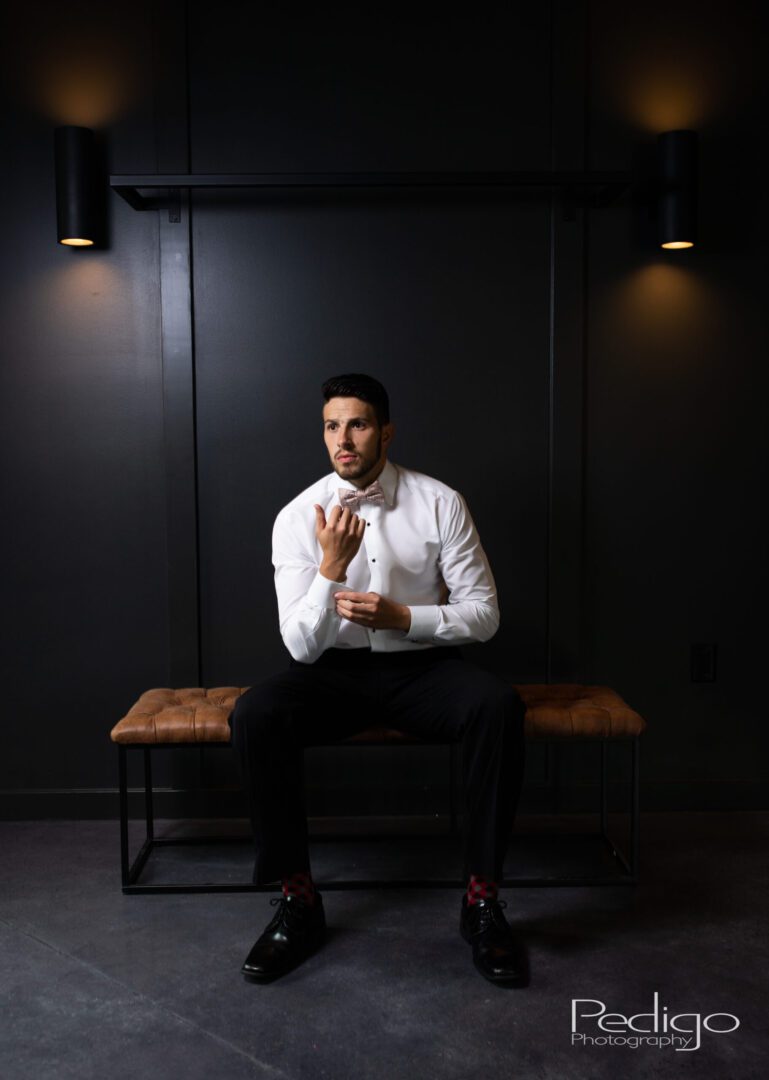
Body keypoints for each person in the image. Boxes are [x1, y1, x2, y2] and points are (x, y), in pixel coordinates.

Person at [229, 373, 527, 985]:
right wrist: (330, 571)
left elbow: (485, 616)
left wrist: (404, 618)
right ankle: (298, 900)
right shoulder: (295, 518)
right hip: (331, 675)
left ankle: (482, 900)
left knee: (496, 705)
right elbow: (300, 648)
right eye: (332, 426)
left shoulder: (441, 502)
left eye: (358, 424)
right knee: (257, 714)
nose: (344, 439)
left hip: (423, 668)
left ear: (385, 431)